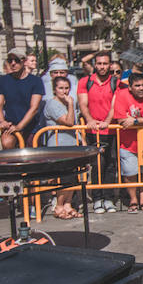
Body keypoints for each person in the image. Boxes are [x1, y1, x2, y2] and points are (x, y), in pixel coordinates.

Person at [113, 72, 143, 214]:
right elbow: (121, 120)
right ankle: (133, 200)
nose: (141, 88)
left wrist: (135, 121)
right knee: (130, 173)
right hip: (128, 143)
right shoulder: (122, 95)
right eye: (137, 86)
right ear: (130, 87)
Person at [77, 51, 120, 215]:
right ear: (95, 64)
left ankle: (108, 198)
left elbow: (115, 105)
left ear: (110, 65)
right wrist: (90, 120)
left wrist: (107, 122)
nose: (102, 67)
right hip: (93, 130)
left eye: (105, 64)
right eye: (99, 63)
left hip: (111, 129)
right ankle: (97, 198)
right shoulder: (85, 81)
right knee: (97, 164)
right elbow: (83, 103)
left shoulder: (115, 82)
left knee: (111, 164)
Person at [44, 76, 82, 219]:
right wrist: (71, 104)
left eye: (66, 88)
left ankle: (68, 204)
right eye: (61, 88)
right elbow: (69, 122)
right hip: (58, 145)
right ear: (55, 89)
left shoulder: (68, 103)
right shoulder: (52, 104)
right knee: (63, 177)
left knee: (72, 177)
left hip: (72, 143)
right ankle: (59, 206)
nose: (64, 91)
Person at [0, 50, 45, 149]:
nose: (13, 63)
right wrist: (2, 121)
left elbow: (34, 108)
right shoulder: (3, 81)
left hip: (31, 125)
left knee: (32, 155)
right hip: (10, 124)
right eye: (10, 60)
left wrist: (19, 127)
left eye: (16, 60)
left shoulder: (36, 81)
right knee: (7, 143)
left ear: (24, 61)